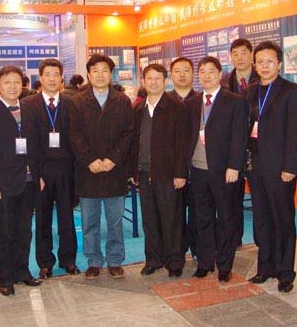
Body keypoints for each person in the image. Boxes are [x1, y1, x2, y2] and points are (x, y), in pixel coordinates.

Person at [244, 41, 297, 293]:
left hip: (281, 167)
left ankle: (285, 272)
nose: (265, 66)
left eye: (270, 61)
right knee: (261, 218)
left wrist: (290, 166)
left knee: (283, 218)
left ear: (279, 64)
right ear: (254, 65)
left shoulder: (292, 91)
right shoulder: (250, 91)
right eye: (260, 62)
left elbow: (296, 132)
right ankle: (265, 267)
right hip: (256, 165)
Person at [68, 54, 134, 279]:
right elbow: (74, 135)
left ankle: (115, 260)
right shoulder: (77, 101)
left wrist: (113, 159)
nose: (100, 74)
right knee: (90, 222)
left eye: (104, 70)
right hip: (88, 171)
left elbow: (128, 133)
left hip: (115, 170)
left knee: (115, 222)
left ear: (111, 73)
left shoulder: (122, 101)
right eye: (95, 70)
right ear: (88, 74)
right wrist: (90, 160)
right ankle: (94, 261)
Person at [0, 66, 41, 297]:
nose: (13, 86)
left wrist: (39, 175)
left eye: (16, 82)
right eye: (7, 82)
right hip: (3, 182)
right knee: (5, 232)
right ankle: (5, 278)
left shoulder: (29, 108)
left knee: (25, 230)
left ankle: (22, 271)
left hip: (29, 179)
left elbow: (36, 145)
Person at [186, 56, 247, 281]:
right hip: (198, 170)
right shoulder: (192, 103)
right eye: (202, 71)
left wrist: (234, 166)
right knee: (202, 218)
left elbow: (239, 137)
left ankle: (224, 265)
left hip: (224, 171)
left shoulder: (234, 101)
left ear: (220, 74)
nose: (206, 76)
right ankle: (205, 262)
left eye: (211, 71)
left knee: (226, 218)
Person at [130, 63, 188, 278]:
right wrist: (132, 171)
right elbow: (133, 143)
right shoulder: (137, 109)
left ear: (165, 81)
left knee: (171, 219)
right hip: (144, 173)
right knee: (150, 219)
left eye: (158, 78)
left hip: (169, 174)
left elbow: (182, 144)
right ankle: (153, 259)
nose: (153, 82)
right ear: (143, 82)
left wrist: (180, 173)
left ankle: (174, 261)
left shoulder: (176, 107)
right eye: (149, 78)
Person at [24, 59, 80, 279]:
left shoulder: (71, 102)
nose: (52, 79)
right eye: (47, 74)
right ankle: (45, 262)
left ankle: (69, 259)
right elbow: (28, 141)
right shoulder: (28, 104)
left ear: (62, 78)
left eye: (56, 74)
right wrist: (35, 173)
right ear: (41, 78)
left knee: (67, 216)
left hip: (66, 168)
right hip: (42, 170)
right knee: (43, 218)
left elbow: (76, 137)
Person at [221, 38, 260, 247]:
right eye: (235, 54)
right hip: (231, 148)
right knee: (231, 199)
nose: (240, 57)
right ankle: (234, 241)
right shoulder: (224, 82)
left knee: (260, 200)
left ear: (251, 54)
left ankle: (262, 243)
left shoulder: (263, 78)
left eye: (244, 53)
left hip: (257, 148)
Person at [168, 57, 198, 259]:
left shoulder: (202, 100)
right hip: (171, 169)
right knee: (174, 214)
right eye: (177, 71)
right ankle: (176, 253)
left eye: (186, 70)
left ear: (193, 74)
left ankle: (198, 250)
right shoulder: (164, 101)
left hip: (197, 168)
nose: (181, 75)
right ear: (171, 75)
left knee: (198, 212)